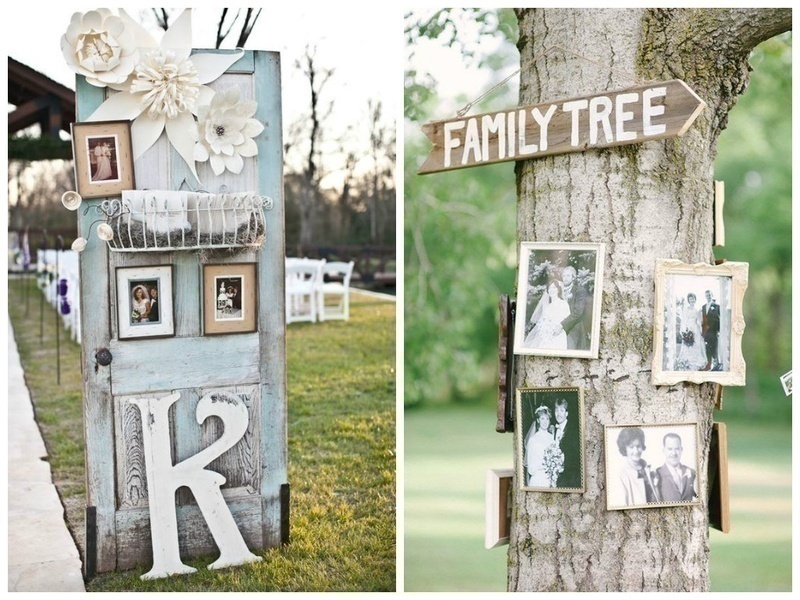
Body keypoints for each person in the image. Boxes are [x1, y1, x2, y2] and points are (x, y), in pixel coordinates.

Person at [611, 427, 660, 507]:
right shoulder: (622, 474)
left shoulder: (647, 469)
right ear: (625, 449)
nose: (636, 451)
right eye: (631, 447)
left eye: (638, 446)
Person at [524, 279, 570, 349]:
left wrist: (558, 327)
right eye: (550, 288)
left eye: (554, 288)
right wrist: (545, 330)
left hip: (558, 335)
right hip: (546, 337)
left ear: (558, 290)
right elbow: (543, 321)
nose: (552, 290)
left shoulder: (563, 303)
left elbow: (567, 319)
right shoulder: (548, 306)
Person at [655, 433, 697, 502]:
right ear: (663, 450)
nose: (674, 453)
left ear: (681, 450)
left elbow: (697, 495)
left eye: (677, 449)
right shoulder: (657, 474)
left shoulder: (692, 473)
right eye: (670, 449)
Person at [559, 266, 592, 350]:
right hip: (557, 327)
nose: (565, 278)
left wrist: (562, 324)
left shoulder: (579, 291)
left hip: (572, 328)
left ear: (573, 277)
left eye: (568, 276)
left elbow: (578, 312)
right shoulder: (558, 290)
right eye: (564, 276)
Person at [524, 405, 557, 487]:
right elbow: (530, 468)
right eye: (542, 418)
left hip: (551, 479)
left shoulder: (552, 438)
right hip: (538, 479)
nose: (545, 421)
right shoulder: (533, 439)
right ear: (538, 420)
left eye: (547, 419)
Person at [553, 397, 581, 488]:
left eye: (561, 410)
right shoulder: (552, 430)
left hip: (569, 478)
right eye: (556, 410)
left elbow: (576, 457)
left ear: (567, 413)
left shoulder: (574, 431)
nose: (558, 414)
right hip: (555, 476)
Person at [676, 292, 707, 370]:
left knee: (696, 343)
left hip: (695, 327)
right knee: (688, 344)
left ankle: (695, 361)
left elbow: (698, 321)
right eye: (690, 299)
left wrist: (699, 329)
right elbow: (684, 320)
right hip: (688, 327)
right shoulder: (686, 309)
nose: (692, 300)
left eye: (693, 299)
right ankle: (687, 361)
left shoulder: (697, 310)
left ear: (695, 300)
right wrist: (686, 330)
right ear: (688, 300)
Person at [701, 289, 721, 371]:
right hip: (706, 332)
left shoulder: (717, 306)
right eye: (706, 296)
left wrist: (718, 331)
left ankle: (717, 365)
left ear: (712, 295)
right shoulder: (703, 307)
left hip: (713, 331)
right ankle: (709, 365)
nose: (708, 297)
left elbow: (718, 319)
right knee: (707, 348)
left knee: (714, 348)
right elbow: (702, 319)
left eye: (709, 295)